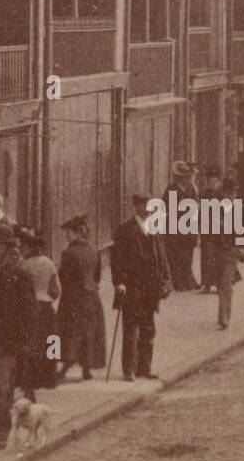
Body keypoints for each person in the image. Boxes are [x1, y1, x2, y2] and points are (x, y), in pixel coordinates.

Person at [0, 224, 38, 449]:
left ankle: (0, 432)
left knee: (2, 384)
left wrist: (24, 342)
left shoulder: (19, 275)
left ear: (7, 248)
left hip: (8, 341)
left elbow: (30, 312)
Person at [109, 194, 172, 381]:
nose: (147, 209)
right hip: (132, 287)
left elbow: (161, 256)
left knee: (148, 329)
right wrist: (118, 282)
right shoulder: (125, 230)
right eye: (144, 205)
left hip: (151, 288)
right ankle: (129, 369)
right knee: (131, 329)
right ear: (136, 206)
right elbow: (116, 260)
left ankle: (144, 368)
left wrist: (166, 279)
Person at [56, 214, 107, 381]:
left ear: (78, 233)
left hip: (73, 298)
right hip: (92, 298)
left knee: (72, 333)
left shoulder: (69, 253)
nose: (66, 236)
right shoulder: (94, 250)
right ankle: (86, 370)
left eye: (68, 233)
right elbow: (97, 276)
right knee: (89, 333)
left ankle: (63, 370)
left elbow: (63, 277)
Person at [18, 228, 60, 393]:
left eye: (24, 246)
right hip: (46, 306)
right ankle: (50, 377)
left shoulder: (23, 266)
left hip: (30, 307)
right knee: (51, 341)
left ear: (30, 248)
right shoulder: (48, 262)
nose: (21, 249)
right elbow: (56, 289)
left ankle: (33, 378)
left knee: (33, 343)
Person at [166, 161, 200, 290]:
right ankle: (179, 281)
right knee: (177, 255)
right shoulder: (171, 189)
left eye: (188, 177)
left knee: (188, 254)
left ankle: (188, 279)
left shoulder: (191, 188)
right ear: (179, 178)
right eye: (184, 177)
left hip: (189, 225)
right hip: (175, 226)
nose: (187, 179)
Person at [198, 166, 224, 291]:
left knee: (219, 258)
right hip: (206, 230)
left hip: (219, 231)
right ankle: (206, 284)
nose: (212, 184)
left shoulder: (222, 195)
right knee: (206, 257)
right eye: (210, 182)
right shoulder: (205, 194)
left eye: (215, 182)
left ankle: (219, 284)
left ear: (219, 182)